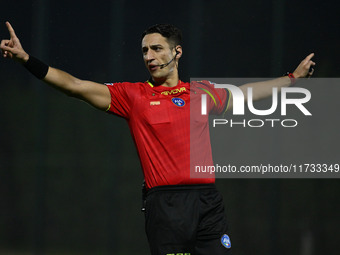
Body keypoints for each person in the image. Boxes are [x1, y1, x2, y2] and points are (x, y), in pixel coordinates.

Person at [1, 22, 315, 255]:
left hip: (208, 203)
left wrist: (292, 79)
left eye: (156, 48)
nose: (149, 56)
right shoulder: (133, 95)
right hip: (165, 206)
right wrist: (27, 60)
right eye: (144, 51)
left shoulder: (201, 92)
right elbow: (75, 85)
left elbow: (247, 94)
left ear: (177, 52)